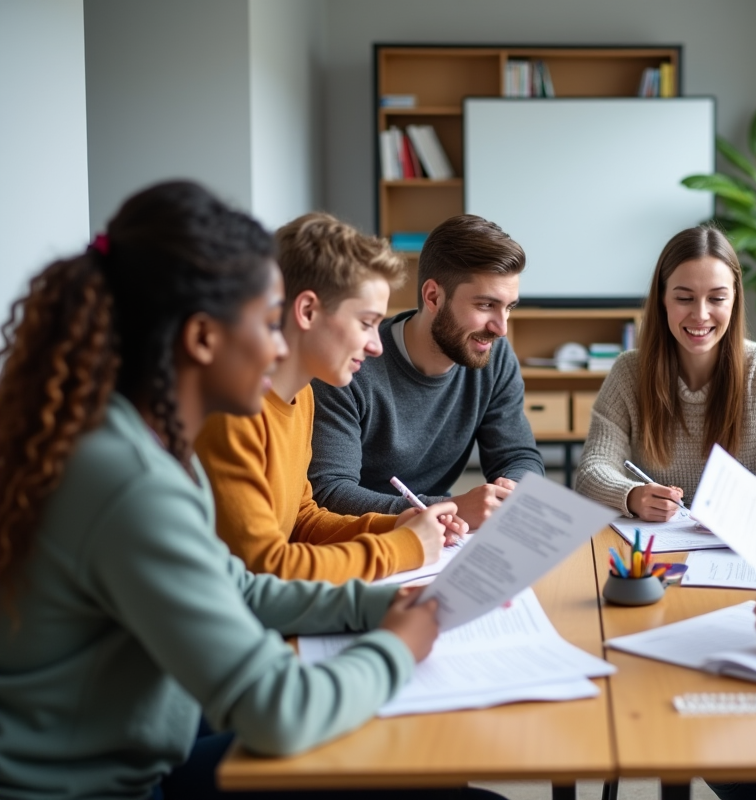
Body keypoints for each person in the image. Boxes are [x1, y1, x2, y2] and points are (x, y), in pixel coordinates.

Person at [0, 181, 486, 800]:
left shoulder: (142, 443)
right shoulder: (133, 483)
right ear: (203, 338)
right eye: (266, 322)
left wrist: (376, 608)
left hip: (142, 749)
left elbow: (239, 587)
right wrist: (397, 646)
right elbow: (280, 710)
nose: (280, 345)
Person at [195, 212, 464, 583]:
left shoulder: (302, 395)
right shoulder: (233, 414)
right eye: (366, 323)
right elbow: (264, 567)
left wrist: (394, 526)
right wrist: (403, 547)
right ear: (307, 311)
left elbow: (301, 520)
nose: (376, 346)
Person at [575, 225, 756, 519]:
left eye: (717, 298)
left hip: (739, 536)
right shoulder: (629, 371)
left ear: (734, 299)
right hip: (654, 539)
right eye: (684, 298)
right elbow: (592, 471)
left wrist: (751, 497)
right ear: (662, 299)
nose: (700, 314)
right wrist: (632, 496)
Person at [309, 214, 544, 530]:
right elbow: (329, 492)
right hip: (360, 538)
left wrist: (509, 492)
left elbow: (518, 456)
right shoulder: (349, 366)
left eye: (509, 307)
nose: (501, 328)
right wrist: (450, 509)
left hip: (442, 536)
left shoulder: (494, 356)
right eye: (486, 305)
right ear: (433, 296)